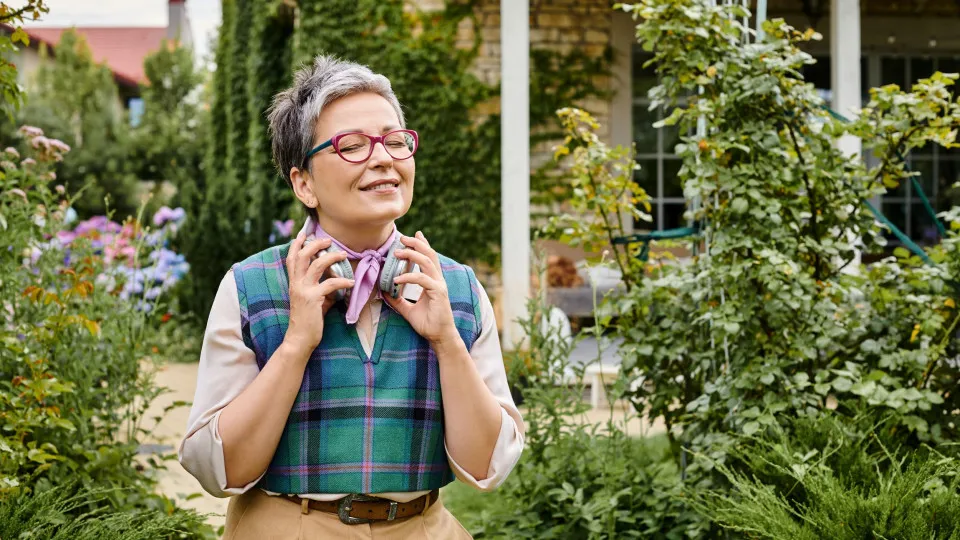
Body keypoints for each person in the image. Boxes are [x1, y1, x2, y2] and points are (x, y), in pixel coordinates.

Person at [178, 55, 525, 539]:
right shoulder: (251, 285)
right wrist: (296, 343)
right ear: (304, 183)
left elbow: (488, 467)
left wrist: (447, 342)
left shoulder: (457, 288)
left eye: (395, 141)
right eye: (353, 145)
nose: (383, 158)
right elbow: (218, 472)